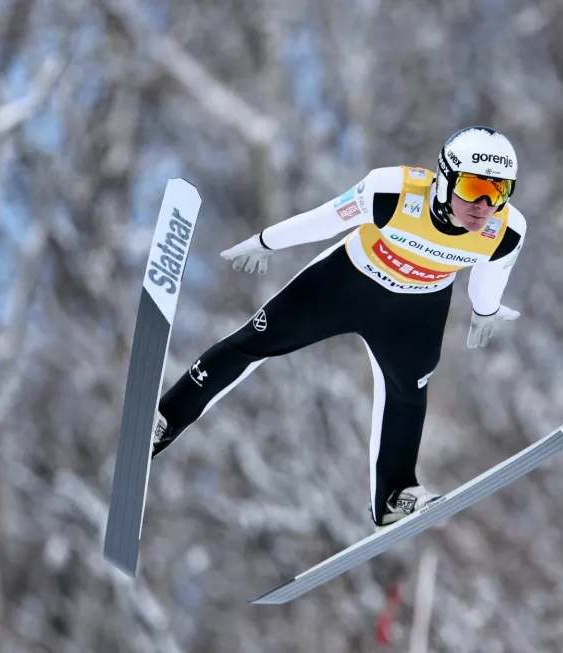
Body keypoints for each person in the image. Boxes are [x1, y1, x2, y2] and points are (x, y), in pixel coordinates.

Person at [151, 126, 527, 529]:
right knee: (255, 341)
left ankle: (395, 495)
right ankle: (165, 420)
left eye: (499, 191)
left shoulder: (507, 230)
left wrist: (485, 312)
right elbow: (325, 220)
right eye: (472, 188)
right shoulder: (391, 191)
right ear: (444, 178)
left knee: (408, 394)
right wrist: (265, 242)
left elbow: (489, 278)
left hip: (416, 311)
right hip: (347, 283)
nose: (484, 204)